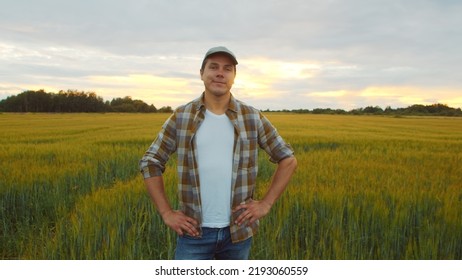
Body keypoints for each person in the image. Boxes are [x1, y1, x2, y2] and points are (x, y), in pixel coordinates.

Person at [139, 46, 297, 260]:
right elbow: (151, 161)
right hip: (193, 233)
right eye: (213, 67)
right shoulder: (182, 116)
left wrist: (266, 203)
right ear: (202, 73)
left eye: (227, 69)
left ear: (234, 76)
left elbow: (288, 159)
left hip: (238, 233)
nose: (220, 73)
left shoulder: (252, 117)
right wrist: (167, 213)